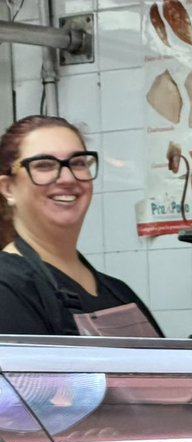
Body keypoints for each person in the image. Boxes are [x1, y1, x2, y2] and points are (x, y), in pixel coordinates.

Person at [0, 115, 160, 336]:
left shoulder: (119, 293)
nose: (67, 178)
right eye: (44, 165)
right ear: (8, 188)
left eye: (77, 163)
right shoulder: (7, 286)